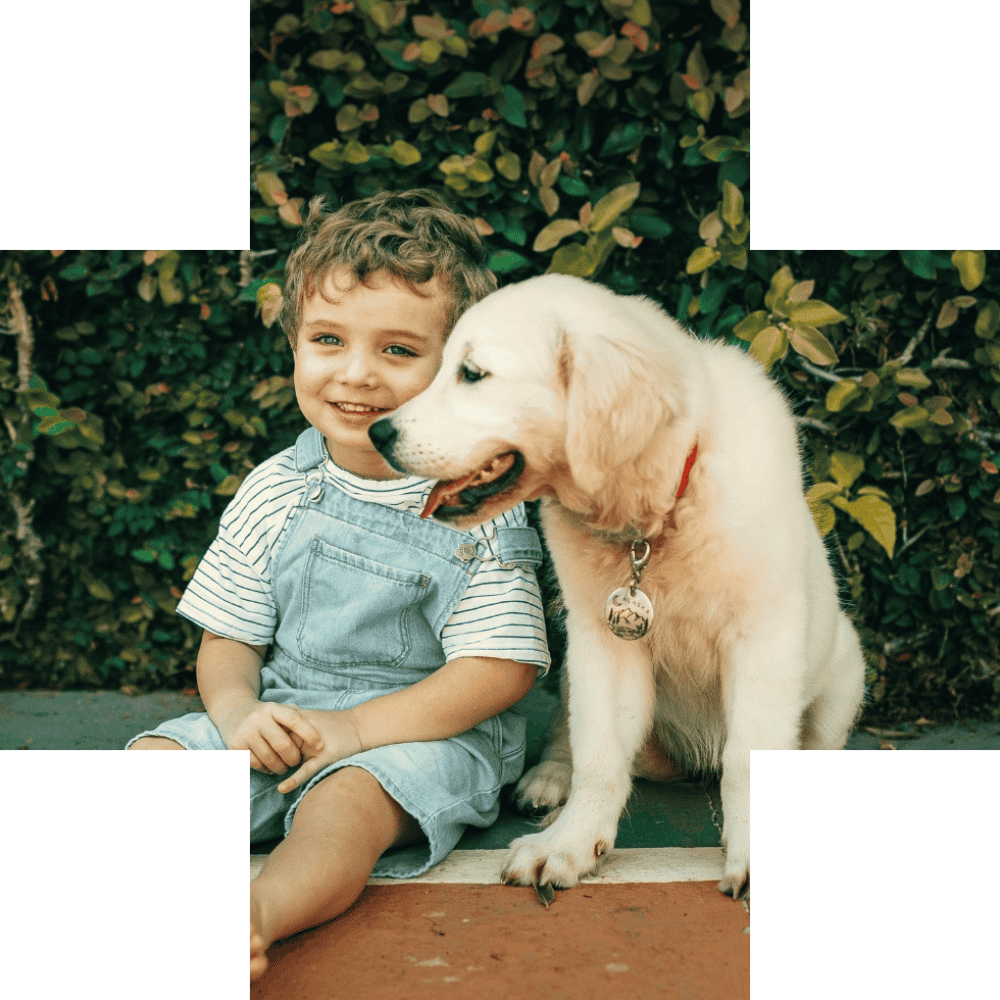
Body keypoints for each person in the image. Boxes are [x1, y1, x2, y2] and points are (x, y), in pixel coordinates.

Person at [125, 190, 550, 980]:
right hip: (287, 712)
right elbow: (230, 640)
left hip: (426, 735)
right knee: (156, 758)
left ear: (460, 369)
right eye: (328, 339)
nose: (356, 374)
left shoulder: (476, 504)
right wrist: (239, 711)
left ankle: (255, 916)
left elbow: (501, 669)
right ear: (294, 343)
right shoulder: (276, 488)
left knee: (343, 810)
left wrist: (356, 732)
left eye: (398, 350)